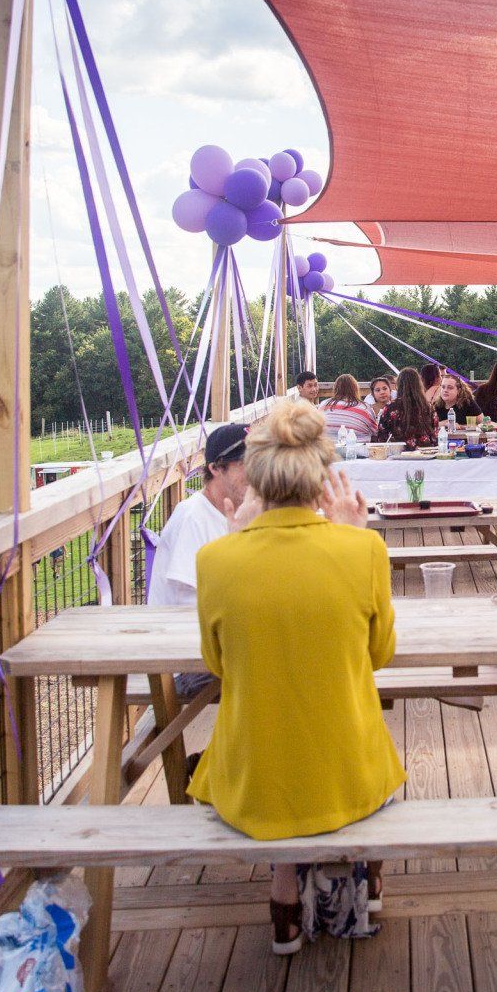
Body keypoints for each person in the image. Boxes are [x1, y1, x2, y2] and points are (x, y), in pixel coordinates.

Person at [190, 399, 401, 954]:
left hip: (251, 782)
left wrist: (237, 539)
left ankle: (285, 894)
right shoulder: (364, 550)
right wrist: (353, 534)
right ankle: (367, 883)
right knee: (367, 750)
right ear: (321, 477)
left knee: (274, 740)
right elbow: (379, 655)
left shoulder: (215, 558)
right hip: (346, 776)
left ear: (256, 478)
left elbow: (217, 665)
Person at [148, 424, 248, 699]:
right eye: (245, 463)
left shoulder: (246, 511)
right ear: (216, 468)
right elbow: (188, 612)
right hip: (188, 664)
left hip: (222, 649)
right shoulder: (192, 517)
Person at [373, 367, 439, 448]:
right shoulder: (428, 407)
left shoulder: (390, 408)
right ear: (419, 384)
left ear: (399, 385)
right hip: (425, 452)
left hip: (399, 454)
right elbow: (435, 436)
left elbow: (382, 437)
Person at [319, 374, 377, 440]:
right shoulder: (365, 408)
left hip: (327, 448)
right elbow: (375, 432)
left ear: (335, 388)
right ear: (355, 389)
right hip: (359, 448)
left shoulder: (323, 405)